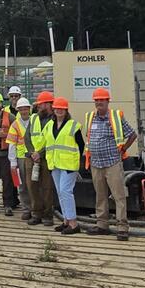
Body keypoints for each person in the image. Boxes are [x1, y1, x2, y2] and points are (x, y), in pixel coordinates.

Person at [83, 87, 138, 240]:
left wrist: (124, 149)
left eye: (102, 100)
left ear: (108, 101)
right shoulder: (90, 117)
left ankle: (122, 226)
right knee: (100, 195)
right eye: (97, 100)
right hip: (96, 163)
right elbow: (89, 137)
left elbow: (132, 135)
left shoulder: (115, 116)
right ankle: (102, 225)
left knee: (118, 195)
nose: (99, 102)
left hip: (112, 162)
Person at [45, 97, 85, 235]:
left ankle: (74, 223)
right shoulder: (49, 125)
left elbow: (81, 145)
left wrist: (79, 161)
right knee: (60, 193)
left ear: (66, 110)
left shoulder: (73, 125)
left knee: (66, 191)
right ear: (54, 110)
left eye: (61, 108)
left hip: (69, 164)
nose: (59, 111)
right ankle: (66, 221)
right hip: (55, 164)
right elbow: (46, 142)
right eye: (57, 108)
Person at [26, 91, 57, 226]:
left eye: (42, 104)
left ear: (49, 104)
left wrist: (40, 154)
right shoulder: (33, 118)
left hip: (47, 158)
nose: (39, 106)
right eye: (39, 104)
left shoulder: (56, 119)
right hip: (32, 157)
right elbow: (27, 137)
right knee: (32, 186)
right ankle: (36, 213)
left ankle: (47, 215)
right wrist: (33, 152)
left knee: (47, 187)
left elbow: (54, 140)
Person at [6, 97, 33, 221]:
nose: (23, 111)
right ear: (18, 110)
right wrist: (13, 161)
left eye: (25, 109)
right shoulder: (15, 124)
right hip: (21, 158)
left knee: (33, 185)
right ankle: (26, 209)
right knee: (21, 185)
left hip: (33, 157)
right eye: (21, 109)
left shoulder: (34, 121)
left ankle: (36, 208)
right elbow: (12, 144)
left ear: (29, 109)